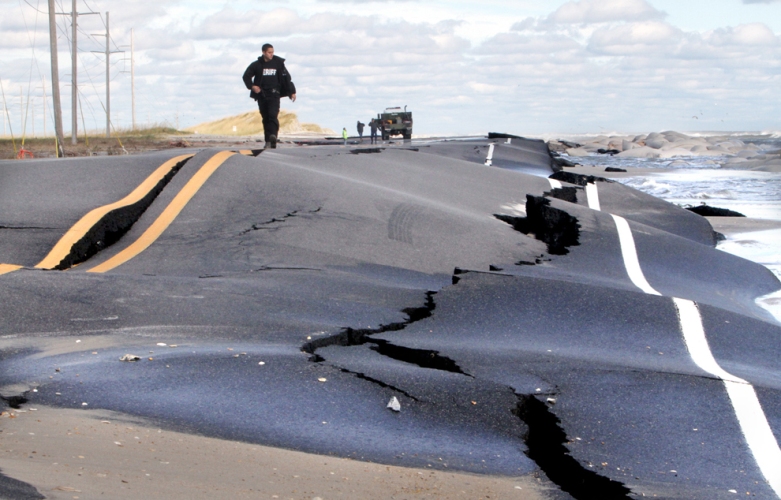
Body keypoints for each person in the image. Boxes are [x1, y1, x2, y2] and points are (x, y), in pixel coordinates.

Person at [242, 44, 296, 149]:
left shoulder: (278, 64)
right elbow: (246, 76)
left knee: (272, 115)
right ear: (264, 52)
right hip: (262, 95)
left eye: (272, 52)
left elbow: (286, 78)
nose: (271, 54)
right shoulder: (257, 65)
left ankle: (273, 137)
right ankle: (268, 140)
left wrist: (291, 92)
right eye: (269, 52)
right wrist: (252, 86)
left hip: (274, 94)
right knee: (265, 117)